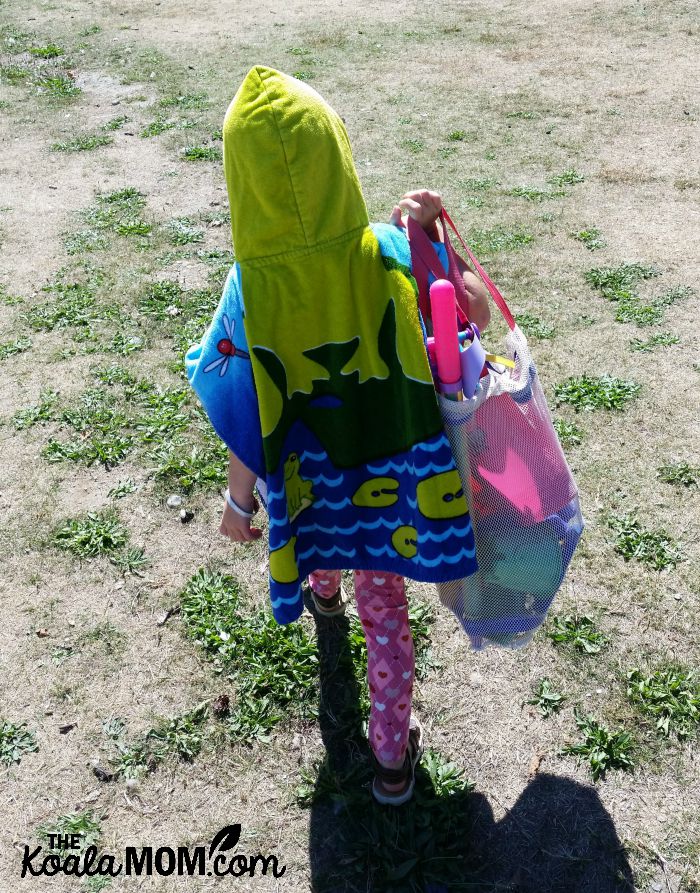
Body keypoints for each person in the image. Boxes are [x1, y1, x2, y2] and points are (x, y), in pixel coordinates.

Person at [186, 66, 489, 805]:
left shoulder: (245, 290)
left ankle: (322, 594)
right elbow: (474, 314)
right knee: (381, 606)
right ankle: (391, 758)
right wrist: (428, 241)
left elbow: (244, 410)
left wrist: (239, 503)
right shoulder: (386, 251)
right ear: (338, 157)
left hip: (305, 487)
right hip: (383, 487)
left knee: (319, 530)